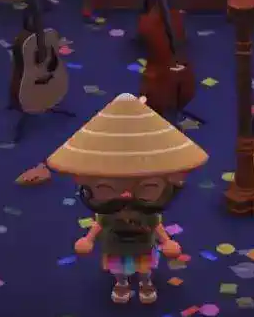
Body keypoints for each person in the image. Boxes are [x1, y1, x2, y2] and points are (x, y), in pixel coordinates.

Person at [47, 93, 208, 304]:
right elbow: (99, 223)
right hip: (115, 246)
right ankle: (121, 284)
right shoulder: (109, 213)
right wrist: (88, 238)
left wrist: (167, 240)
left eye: (147, 188)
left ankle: (145, 283)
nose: (126, 196)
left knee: (145, 268)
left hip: (143, 244)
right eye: (108, 189)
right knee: (119, 270)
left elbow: (156, 225)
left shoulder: (146, 212)